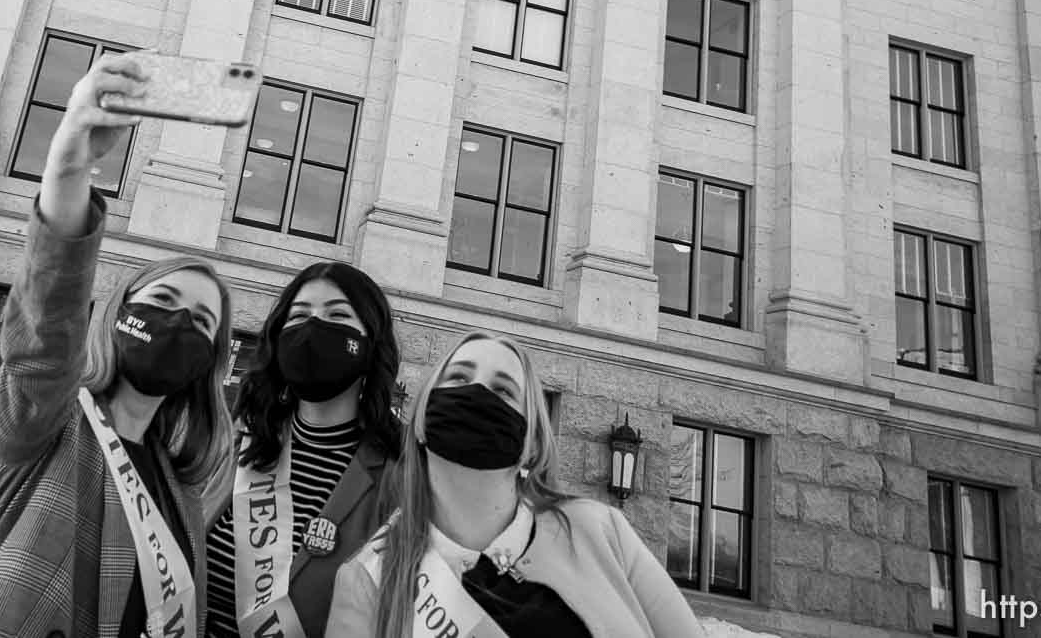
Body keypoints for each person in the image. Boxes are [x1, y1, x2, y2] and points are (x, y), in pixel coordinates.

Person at [0, 53, 235, 638]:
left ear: (211, 360)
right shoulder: (45, 420)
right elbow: (45, 327)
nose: (178, 323)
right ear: (115, 316)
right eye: (160, 304)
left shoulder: (179, 487)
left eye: (201, 320)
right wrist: (69, 163)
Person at [330, 332, 705, 638]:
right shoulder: (367, 579)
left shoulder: (601, 530)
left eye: (504, 390)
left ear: (532, 445)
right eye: (459, 377)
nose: (476, 392)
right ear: (421, 421)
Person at [202, 261, 403, 637]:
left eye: (338, 314)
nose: (313, 327)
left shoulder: (400, 475)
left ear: (370, 342)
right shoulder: (239, 440)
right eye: (298, 315)